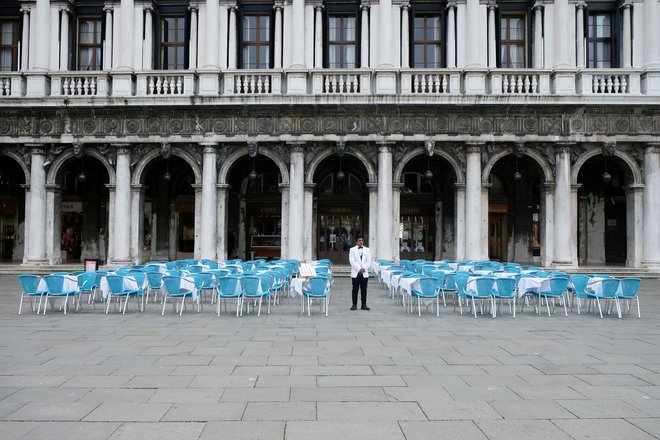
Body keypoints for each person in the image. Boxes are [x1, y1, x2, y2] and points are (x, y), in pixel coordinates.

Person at [349, 236, 371, 310]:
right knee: (355, 289)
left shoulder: (367, 250)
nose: (361, 242)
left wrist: (364, 268)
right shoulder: (352, 250)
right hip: (356, 272)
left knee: (364, 289)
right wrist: (359, 269)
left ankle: (363, 304)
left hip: (364, 273)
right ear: (356, 242)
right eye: (359, 241)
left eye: (362, 240)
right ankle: (354, 304)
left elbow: (369, 261)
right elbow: (352, 261)